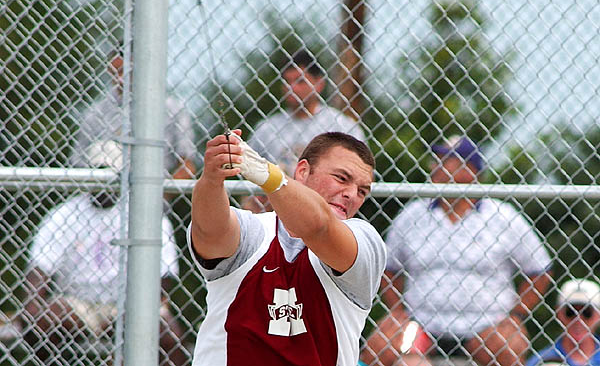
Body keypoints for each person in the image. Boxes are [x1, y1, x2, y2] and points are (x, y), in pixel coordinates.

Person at [188, 131, 386, 365]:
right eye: (341, 178)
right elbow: (210, 232)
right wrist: (212, 178)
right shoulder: (252, 230)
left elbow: (318, 226)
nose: (352, 194)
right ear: (302, 172)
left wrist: (268, 175)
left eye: (362, 191)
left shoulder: (364, 242)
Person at [362, 136, 553, 366]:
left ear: (469, 170)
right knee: (378, 348)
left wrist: (516, 315)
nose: (434, 166)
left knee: (509, 348)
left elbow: (540, 269)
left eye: (444, 161)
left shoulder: (503, 216)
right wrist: (397, 310)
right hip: (421, 322)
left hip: (486, 325)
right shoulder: (412, 214)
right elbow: (388, 268)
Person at [22, 140, 187, 365]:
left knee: (170, 334)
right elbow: (39, 270)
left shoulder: (144, 213)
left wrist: (138, 309)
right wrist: (32, 310)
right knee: (42, 319)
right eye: (97, 173)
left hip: (131, 304)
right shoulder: (65, 214)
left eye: (109, 175)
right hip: (77, 305)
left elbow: (163, 278)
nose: (103, 182)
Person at [244, 49, 365, 211]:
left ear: (319, 84)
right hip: (276, 214)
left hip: (325, 214)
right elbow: (248, 184)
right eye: (287, 81)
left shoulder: (341, 126)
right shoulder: (267, 128)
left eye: (300, 81)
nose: (292, 88)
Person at [71, 45, 196, 183]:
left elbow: (187, 166)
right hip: (100, 193)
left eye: (126, 72)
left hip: (152, 192)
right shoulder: (96, 113)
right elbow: (78, 162)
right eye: (116, 72)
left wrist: (156, 194)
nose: (120, 79)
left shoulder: (172, 110)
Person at [527, 279, 600, 366]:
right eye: (570, 312)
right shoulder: (540, 361)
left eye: (587, 312)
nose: (578, 320)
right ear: (558, 313)